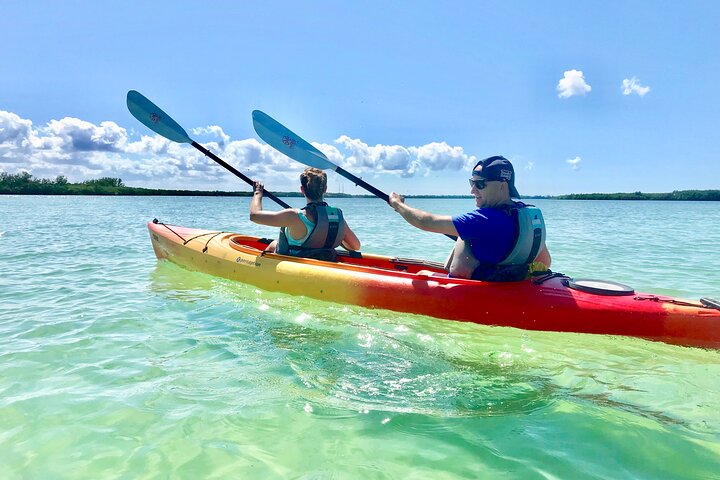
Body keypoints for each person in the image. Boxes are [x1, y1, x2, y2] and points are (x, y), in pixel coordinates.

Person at [388, 155, 551, 281]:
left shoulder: (483, 220)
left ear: (503, 186)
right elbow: (545, 260)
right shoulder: (528, 216)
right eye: (472, 183)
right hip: (512, 283)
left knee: (425, 272)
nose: (472, 190)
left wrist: (398, 205)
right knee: (464, 236)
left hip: (474, 289)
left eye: (480, 184)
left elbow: (425, 221)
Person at [250, 167, 361, 261]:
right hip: (324, 262)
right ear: (325, 189)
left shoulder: (293, 216)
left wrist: (258, 193)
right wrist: (335, 235)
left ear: (302, 189)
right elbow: (355, 246)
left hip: (296, 265)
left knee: (274, 244)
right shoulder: (336, 216)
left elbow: (254, 215)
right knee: (274, 243)